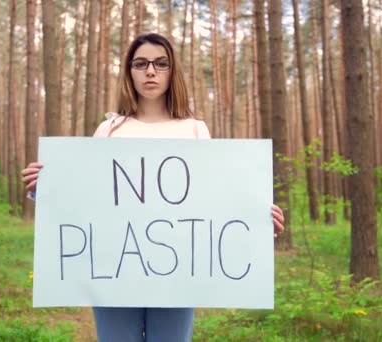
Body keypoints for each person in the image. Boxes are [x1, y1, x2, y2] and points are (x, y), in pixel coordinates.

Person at [21, 32, 285, 342]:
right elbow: (87, 196)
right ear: (129, 72)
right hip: (113, 271)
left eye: (161, 64)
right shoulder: (109, 129)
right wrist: (46, 188)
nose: (150, 71)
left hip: (178, 272)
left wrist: (258, 220)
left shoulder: (195, 129)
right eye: (140, 63)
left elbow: (216, 200)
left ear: (173, 72)